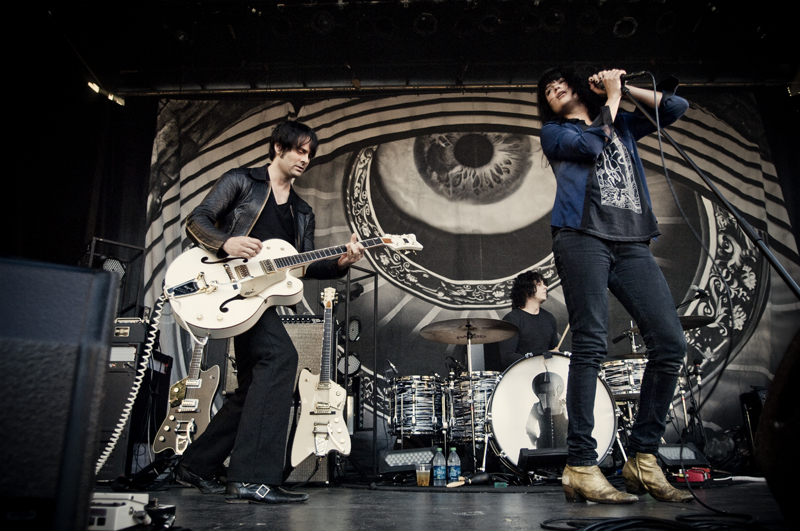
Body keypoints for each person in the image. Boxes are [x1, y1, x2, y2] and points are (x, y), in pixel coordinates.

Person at [174, 121, 365, 504]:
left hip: (257, 301)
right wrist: (226, 243)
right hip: (225, 290)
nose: (305, 159)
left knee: (252, 387)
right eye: (299, 150)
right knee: (280, 358)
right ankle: (252, 478)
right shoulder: (241, 181)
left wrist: (341, 262)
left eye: (310, 154)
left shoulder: (301, 211)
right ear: (278, 147)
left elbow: (304, 266)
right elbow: (196, 221)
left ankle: (196, 465)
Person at [538, 67, 693, 504]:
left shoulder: (621, 122)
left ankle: (643, 457)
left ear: (577, 85)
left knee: (670, 344)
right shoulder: (555, 132)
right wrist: (609, 99)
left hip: (631, 241)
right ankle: (581, 464)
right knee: (591, 343)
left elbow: (675, 107)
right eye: (547, 91)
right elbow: (590, 146)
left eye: (560, 83)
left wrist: (623, 89)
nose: (554, 90)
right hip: (581, 238)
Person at [495, 270, 559, 371]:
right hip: (521, 375)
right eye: (539, 284)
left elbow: (554, 351)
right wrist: (540, 360)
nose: (545, 287)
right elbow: (507, 357)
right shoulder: (512, 319)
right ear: (526, 289)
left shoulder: (549, 318)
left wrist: (555, 355)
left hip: (545, 375)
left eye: (544, 284)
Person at [525, 370, 568, 449]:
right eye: (544, 390)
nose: (548, 393)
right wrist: (535, 441)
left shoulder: (563, 405)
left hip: (564, 447)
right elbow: (529, 426)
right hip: (543, 447)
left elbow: (572, 425)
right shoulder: (537, 407)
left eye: (550, 390)